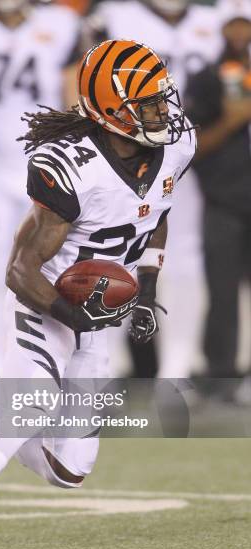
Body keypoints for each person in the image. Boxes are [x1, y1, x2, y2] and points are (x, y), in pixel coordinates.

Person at [0, 39, 196, 549]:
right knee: (30, 409)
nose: (162, 111)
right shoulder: (71, 166)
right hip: (48, 299)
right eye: (146, 103)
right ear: (110, 109)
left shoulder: (174, 145)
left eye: (161, 97)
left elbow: (158, 208)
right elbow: (20, 270)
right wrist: (71, 315)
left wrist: (145, 287)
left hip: (96, 313)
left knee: (69, 470)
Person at [86, 0, 222, 378]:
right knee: (112, 252)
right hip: (124, 153)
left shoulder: (219, 20)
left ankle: (177, 367)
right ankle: (102, 367)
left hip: (192, 157)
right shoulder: (114, 17)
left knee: (186, 260)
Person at [0, 0, 82, 400]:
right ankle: (0, 378)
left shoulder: (61, 23)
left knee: (60, 269)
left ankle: (60, 376)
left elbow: (72, 100)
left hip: (46, 169)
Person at [185, 3, 251, 385]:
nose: (240, 36)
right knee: (222, 292)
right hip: (224, 200)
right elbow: (190, 146)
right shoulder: (206, 78)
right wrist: (230, 121)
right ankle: (221, 376)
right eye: (233, 27)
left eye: (246, 27)